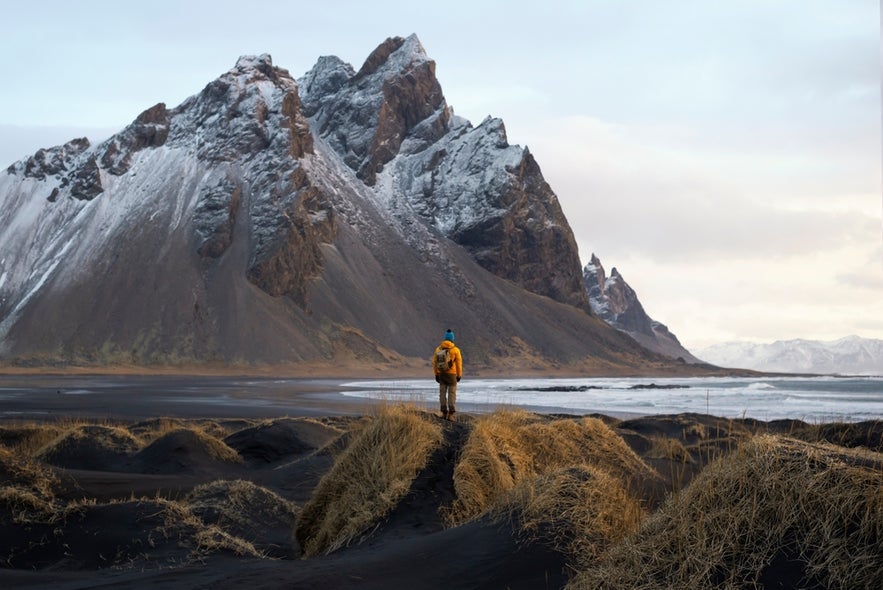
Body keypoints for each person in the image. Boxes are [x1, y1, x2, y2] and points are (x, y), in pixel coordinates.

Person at [433, 328, 463, 421]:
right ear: (452, 339)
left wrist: (436, 374)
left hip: (441, 374)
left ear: (445, 338)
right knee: (451, 394)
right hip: (452, 375)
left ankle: (444, 412)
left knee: (442, 393)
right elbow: (459, 364)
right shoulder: (456, 350)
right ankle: (451, 414)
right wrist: (459, 375)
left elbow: (434, 362)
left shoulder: (438, 349)